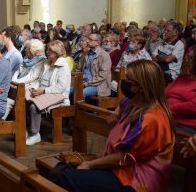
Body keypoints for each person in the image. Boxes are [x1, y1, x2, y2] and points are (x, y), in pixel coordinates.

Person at [55, 60, 175, 192]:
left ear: (143, 87)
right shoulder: (135, 103)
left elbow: (126, 157)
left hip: (136, 180)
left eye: (129, 80)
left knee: (68, 178)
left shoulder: (152, 119)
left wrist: (90, 164)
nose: (124, 82)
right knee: (61, 170)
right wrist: (117, 111)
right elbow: (124, 101)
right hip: (120, 170)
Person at [26, 40, 71, 145]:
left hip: (58, 96)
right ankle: (27, 128)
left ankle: (35, 134)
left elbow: (60, 87)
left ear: (57, 52)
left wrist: (43, 91)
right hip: (45, 93)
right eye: (48, 50)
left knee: (34, 106)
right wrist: (35, 89)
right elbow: (40, 80)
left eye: (50, 51)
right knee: (23, 99)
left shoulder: (63, 66)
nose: (47, 52)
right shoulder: (47, 63)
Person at [72, 33, 112, 101]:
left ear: (98, 42)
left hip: (98, 86)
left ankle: (80, 111)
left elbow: (101, 76)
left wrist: (85, 84)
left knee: (81, 93)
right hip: (83, 82)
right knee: (68, 90)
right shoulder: (85, 53)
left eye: (90, 39)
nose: (87, 41)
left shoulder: (104, 55)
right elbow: (78, 69)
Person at [166, 48, 196, 134]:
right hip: (166, 116)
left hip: (185, 124)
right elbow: (165, 93)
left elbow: (193, 106)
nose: (185, 59)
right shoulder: (183, 77)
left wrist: (166, 108)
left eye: (190, 58)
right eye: (187, 56)